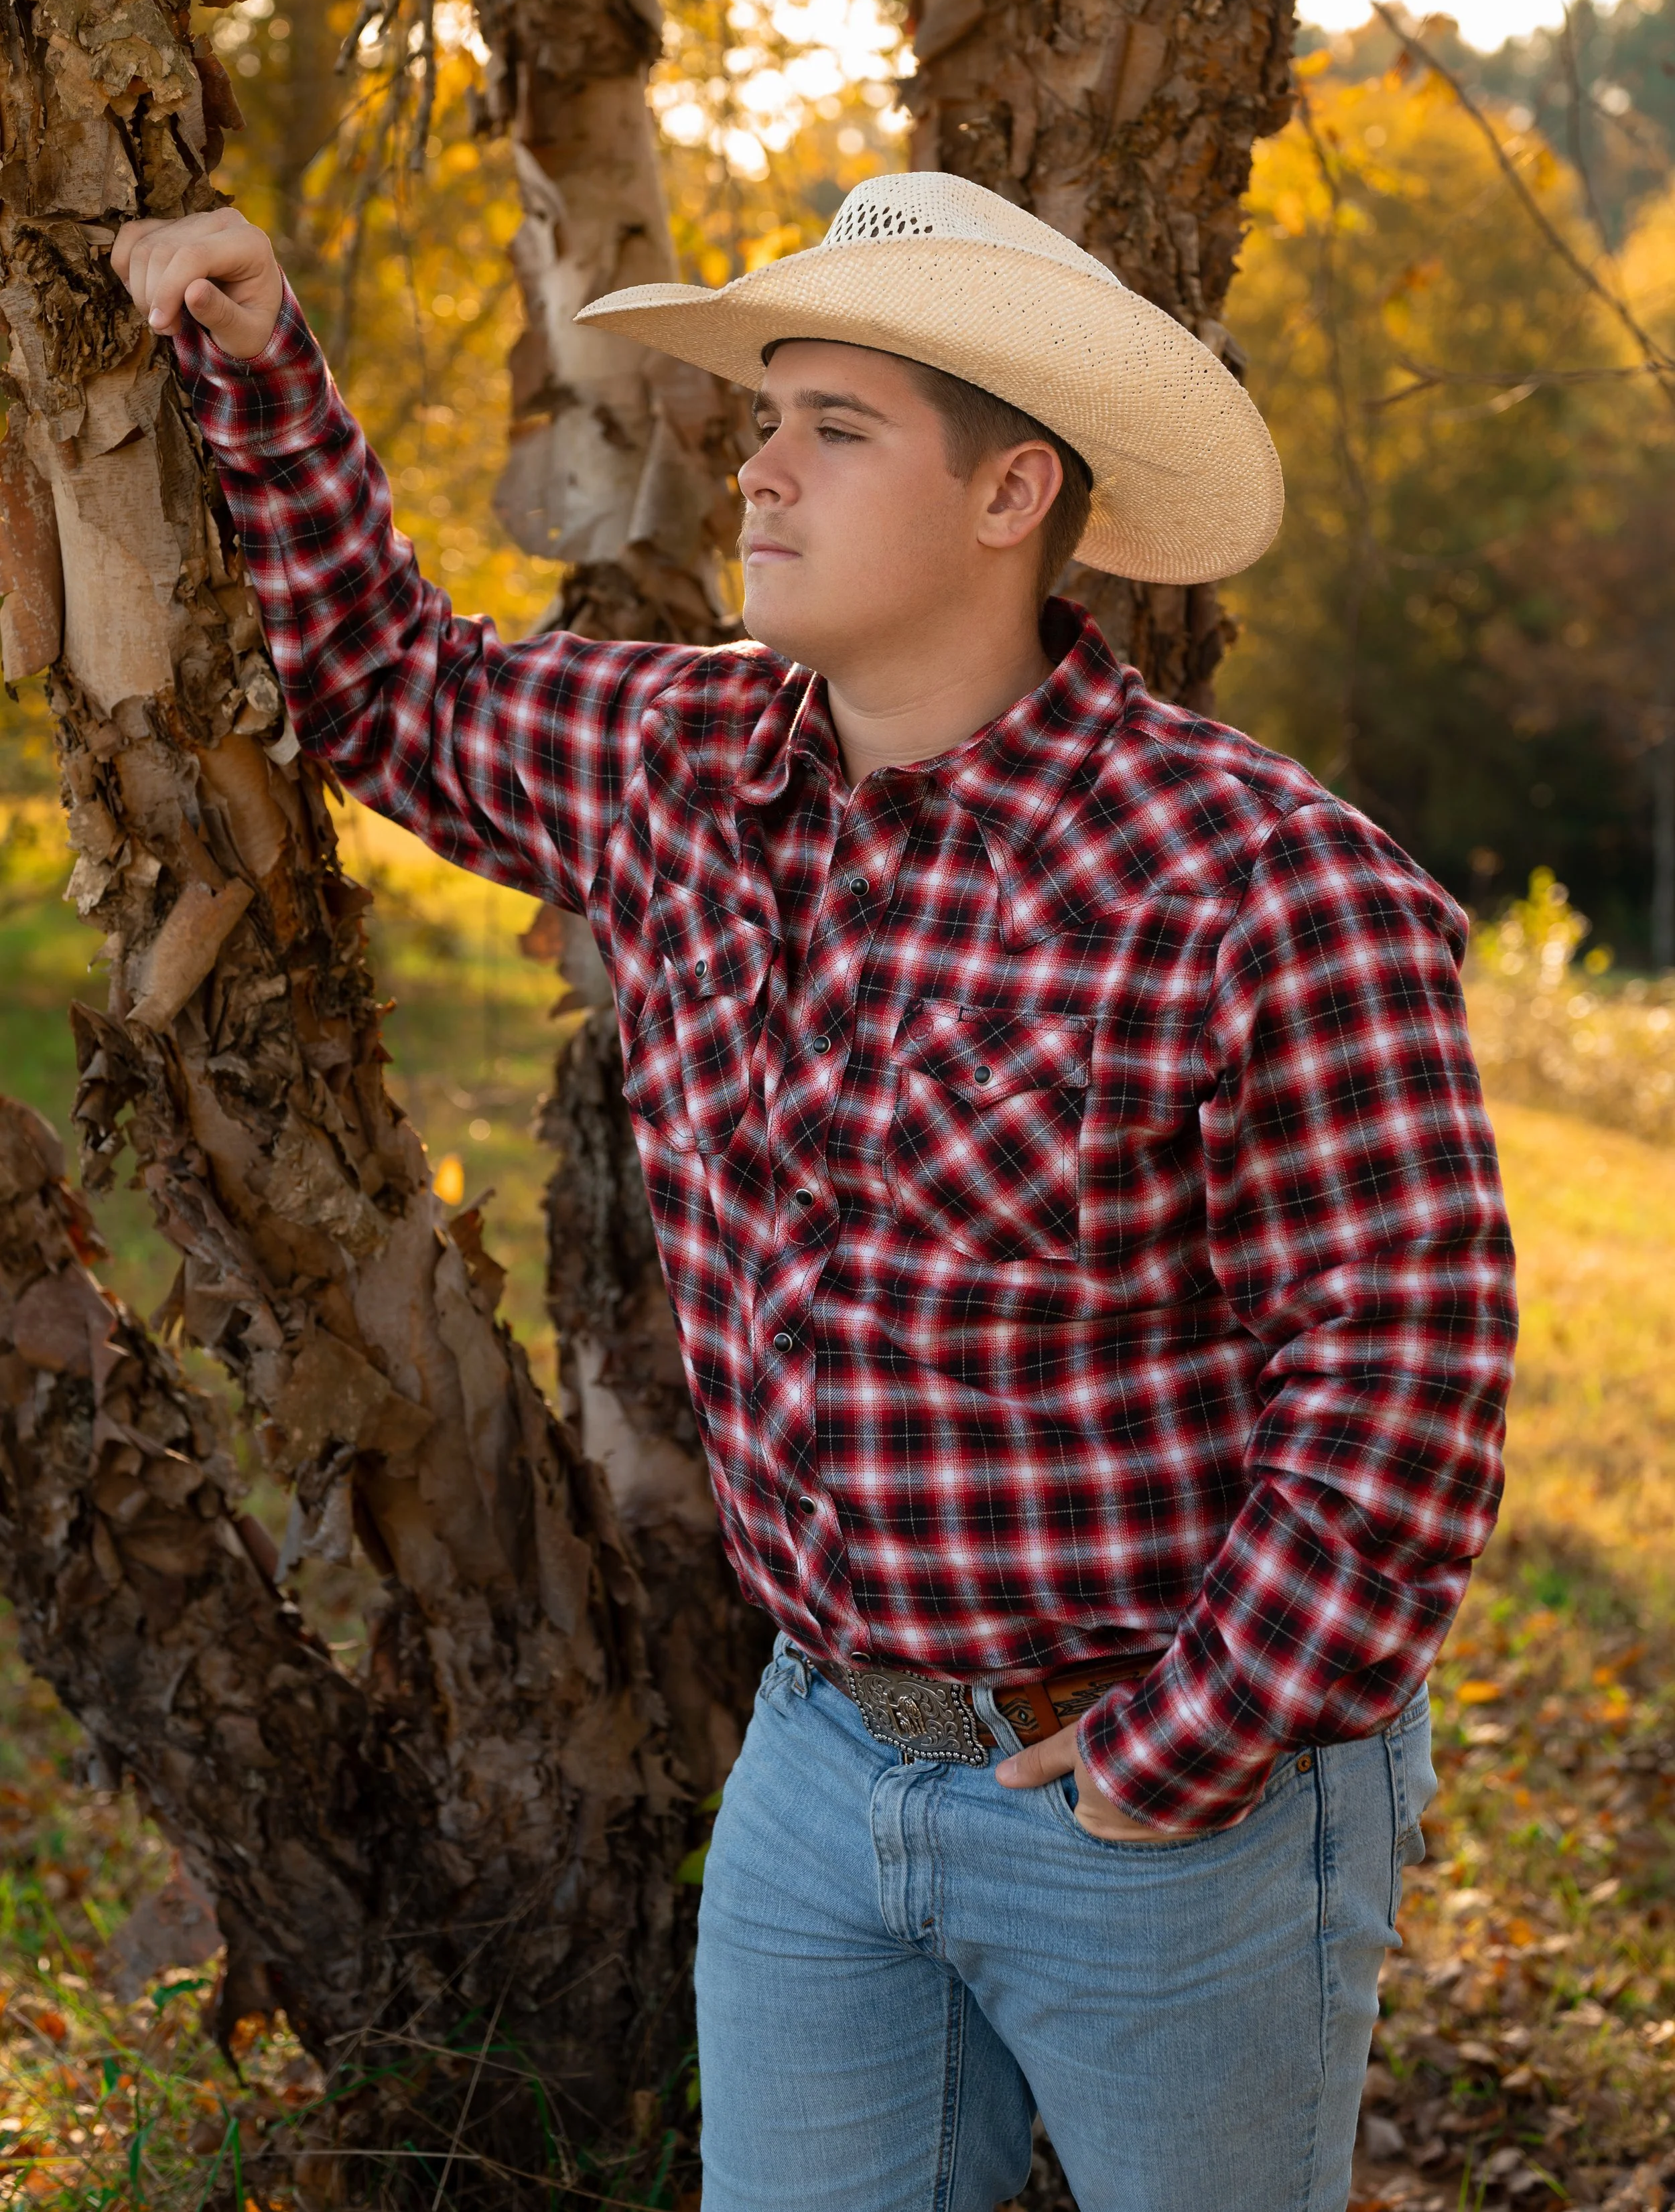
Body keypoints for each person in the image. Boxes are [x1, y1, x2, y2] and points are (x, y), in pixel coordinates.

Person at [113, 174, 1516, 2212]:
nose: (754, 470)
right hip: (817, 1764)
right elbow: (386, 685)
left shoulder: (1259, 885)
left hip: (1164, 1801)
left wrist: (1186, 1743)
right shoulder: (683, 764)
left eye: (831, 428)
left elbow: (1407, 1363)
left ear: (1009, 492)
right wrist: (258, 365)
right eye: (766, 417)